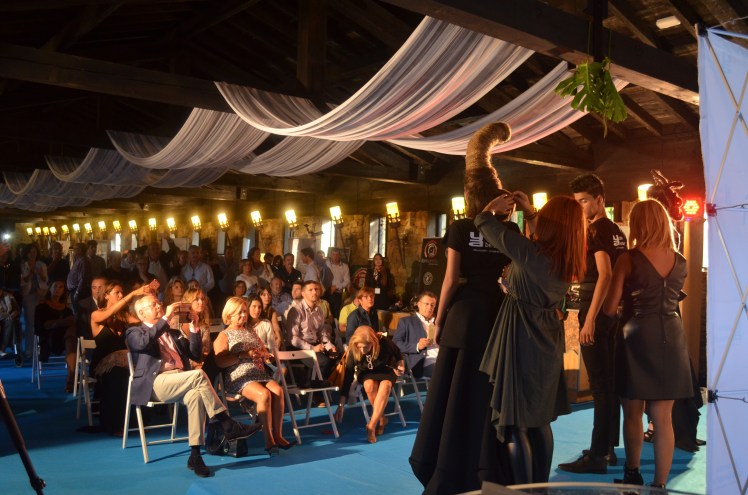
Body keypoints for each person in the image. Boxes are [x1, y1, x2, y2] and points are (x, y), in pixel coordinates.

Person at [410, 122, 517, 494]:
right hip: (496, 314)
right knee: (486, 393)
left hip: (463, 316)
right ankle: (488, 463)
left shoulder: (458, 228)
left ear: (471, 196)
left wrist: (438, 321)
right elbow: (513, 273)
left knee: (455, 392)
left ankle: (448, 463)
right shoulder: (509, 232)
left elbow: (450, 280)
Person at [477, 193, 586, 484]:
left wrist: (491, 207)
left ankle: (525, 490)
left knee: (516, 424)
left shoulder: (531, 254)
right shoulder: (564, 259)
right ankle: (540, 487)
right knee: (539, 421)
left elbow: (484, 223)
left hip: (522, 339)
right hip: (546, 341)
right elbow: (545, 241)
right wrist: (530, 212)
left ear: (552, 224)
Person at [601, 199, 692, 489]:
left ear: (638, 224)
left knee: (632, 413)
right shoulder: (681, 261)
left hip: (636, 338)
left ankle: (632, 473)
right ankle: (659, 485)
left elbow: (609, 308)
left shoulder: (629, 258)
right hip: (672, 338)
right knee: (663, 419)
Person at [126, 294, 261, 477]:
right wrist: (166, 318)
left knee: (196, 396)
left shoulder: (172, 333)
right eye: (153, 304)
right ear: (142, 313)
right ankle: (227, 423)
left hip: (182, 379)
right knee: (198, 375)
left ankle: (195, 456)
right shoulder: (134, 332)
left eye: (158, 303)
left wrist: (194, 326)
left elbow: (196, 355)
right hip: (156, 383)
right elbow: (142, 343)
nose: (159, 306)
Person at [559, 174, 627, 474]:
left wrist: (589, 320)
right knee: (609, 385)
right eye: (577, 202)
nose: (581, 207)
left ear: (600, 199)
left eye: (585, 201)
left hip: (596, 311)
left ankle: (598, 455)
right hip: (612, 312)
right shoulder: (616, 231)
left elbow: (606, 274)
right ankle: (608, 448)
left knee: (601, 386)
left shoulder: (597, 230)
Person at [214, 297, 291, 454]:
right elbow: (220, 361)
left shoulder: (250, 331)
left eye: (244, 311)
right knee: (264, 394)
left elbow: (263, 351)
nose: (243, 315)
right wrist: (242, 355)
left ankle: (278, 435)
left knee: (278, 391)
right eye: (239, 313)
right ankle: (269, 440)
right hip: (238, 375)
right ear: (229, 315)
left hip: (258, 372)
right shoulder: (224, 335)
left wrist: (264, 355)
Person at [90, 281, 151, 435]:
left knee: (139, 372)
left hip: (125, 361)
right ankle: (116, 424)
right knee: (118, 375)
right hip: (104, 364)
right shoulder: (96, 314)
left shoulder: (124, 316)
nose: (121, 295)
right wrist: (133, 294)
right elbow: (109, 312)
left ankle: (136, 421)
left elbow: (142, 322)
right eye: (117, 292)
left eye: (122, 292)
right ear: (106, 295)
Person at [334, 326, 404, 443]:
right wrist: (341, 404)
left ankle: (371, 425)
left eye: (365, 347)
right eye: (359, 347)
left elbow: (398, 354)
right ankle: (382, 418)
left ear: (373, 342)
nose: (362, 350)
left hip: (386, 370)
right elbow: (348, 376)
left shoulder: (384, 343)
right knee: (369, 385)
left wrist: (401, 365)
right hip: (366, 372)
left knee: (386, 385)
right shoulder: (353, 349)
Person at [284, 281, 337, 381]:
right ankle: (316, 386)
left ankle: (319, 384)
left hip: (314, 345)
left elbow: (322, 333)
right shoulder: (296, 310)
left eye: (316, 289)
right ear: (303, 293)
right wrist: (312, 348)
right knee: (324, 362)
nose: (314, 292)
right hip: (298, 348)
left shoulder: (319, 310)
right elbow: (292, 338)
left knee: (337, 358)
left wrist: (329, 346)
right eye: (311, 290)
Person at [34, 280, 77, 391]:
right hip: (49, 338)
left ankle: (71, 377)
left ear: (63, 291)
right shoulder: (42, 307)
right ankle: (71, 378)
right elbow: (40, 328)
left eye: (60, 287)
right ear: (50, 288)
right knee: (72, 336)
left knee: (71, 336)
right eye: (55, 286)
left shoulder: (67, 309)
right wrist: (61, 322)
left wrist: (56, 323)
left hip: (65, 339)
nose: (57, 289)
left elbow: (71, 322)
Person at [393, 291, 438, 378]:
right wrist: (417, 346)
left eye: (432, 305)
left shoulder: (438, 323)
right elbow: (396, 344)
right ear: (419, 304)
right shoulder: (407, 322)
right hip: (424, 362)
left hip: (442, 359)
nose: (430, 307)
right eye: (427, 304)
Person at [180, 288, 216, 382]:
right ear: (188, 301)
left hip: (198, 364)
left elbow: (205, 349)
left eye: (203, 299)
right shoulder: (176, 321)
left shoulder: (204, 325)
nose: (201, 302)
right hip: (179, 363)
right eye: (197, 299)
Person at [20, 243, 48, 357]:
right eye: (30, 252)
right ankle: (29, 348)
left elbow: (45, 280)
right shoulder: (23, 265)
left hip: (40, 294)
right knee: (30, 322)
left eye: (35, 252)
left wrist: (40, 274)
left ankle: (41, 347)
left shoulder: (41, 264)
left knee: (40, 321)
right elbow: (22, 281)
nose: (33, 254)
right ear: (27, 253)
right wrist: (30, 273)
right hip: (29, 294)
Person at [326, 248, 351, 320]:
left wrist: (336, 287)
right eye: (333, 254)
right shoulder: (327, 264)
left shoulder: (344, 266)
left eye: (337, 255)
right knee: (326, 314)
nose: (335, 257)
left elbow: (347, 281)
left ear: (340, 255)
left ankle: (336, 326)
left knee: (335, 314)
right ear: (331, 255)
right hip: (326, 293)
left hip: (337, 294)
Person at [257, 287, 283, 351]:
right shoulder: (255, 310)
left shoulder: (271, 311)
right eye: (264, 295)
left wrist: (278, 337)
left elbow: (276, 326)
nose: (267, 297)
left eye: (269, 294)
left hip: (268, 337)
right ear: (259, 296)